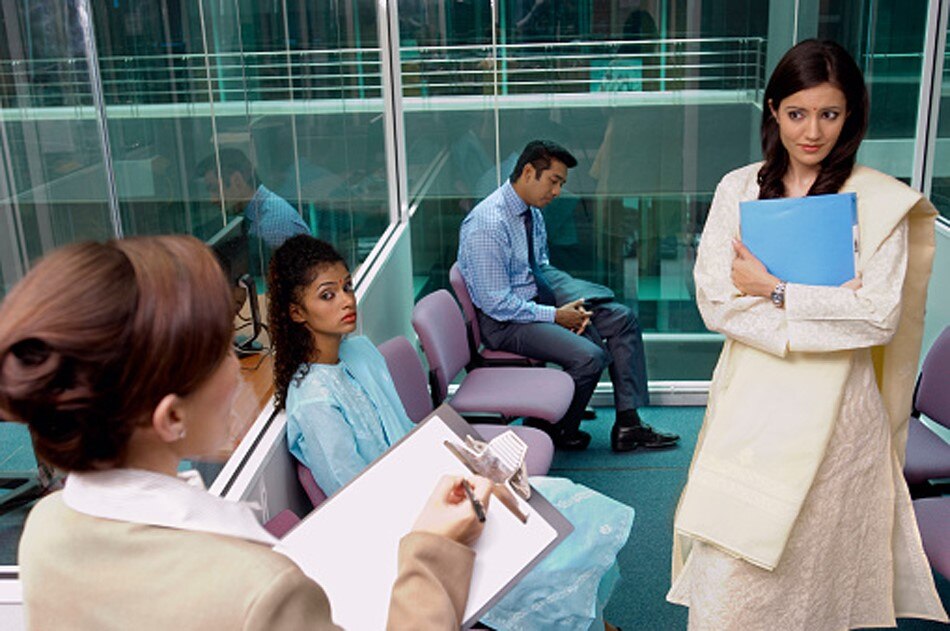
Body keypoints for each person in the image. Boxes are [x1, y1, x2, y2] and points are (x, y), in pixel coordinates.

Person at [1, 235, 493, 630]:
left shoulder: (45, 530)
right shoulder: (261, 588)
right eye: (222, 351)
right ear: (170, 417)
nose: (238, 371)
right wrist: (431, 551)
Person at [667, 39, 949, 629]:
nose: (812, 131)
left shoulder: (879, 203)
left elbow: (876, 319)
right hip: (752, 402)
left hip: (839, 418)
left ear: (852, 115)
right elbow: (717, 303)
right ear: (773, 109)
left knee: (814, 574)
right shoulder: (738, 190)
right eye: (797, 113)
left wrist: (775, 289)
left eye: (830, 113)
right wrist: (825, 312)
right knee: (731, 572)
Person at [268, 234, 635, 631]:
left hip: (427, 484)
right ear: (296, 312)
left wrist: (467, 465)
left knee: (560, 511)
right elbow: (357, 498)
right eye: (327, 295)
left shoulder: (360, 353)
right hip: (401, 523)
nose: (346, 300)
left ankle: (594, 624)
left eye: (347, 287)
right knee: (539, 547)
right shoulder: (315, 402)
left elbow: (408, 435)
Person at [458, 139, 680, 452]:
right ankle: (553, 427)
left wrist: (575, 303)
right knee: (589, 356)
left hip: (535, 303)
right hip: (505, 323)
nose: (558, 192)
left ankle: (628, 424)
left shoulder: (530, 211)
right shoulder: (488, 225)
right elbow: (497, 303)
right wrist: (557, 315)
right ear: (528, 172)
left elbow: (542, 268)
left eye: (561, 183)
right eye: (554, 181)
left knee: (621, 319)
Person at [197, 148, 309, 250]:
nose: (213, 200)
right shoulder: (259, 214)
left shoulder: (272, 226)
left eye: (215, 189)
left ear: (237, 180)